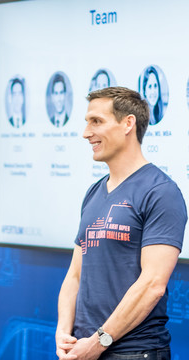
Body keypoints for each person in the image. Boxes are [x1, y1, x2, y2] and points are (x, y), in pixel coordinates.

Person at [56, 87, 187, 360]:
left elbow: (152, 284)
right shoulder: (93, 192)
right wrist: (63, 331)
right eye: (87, 122)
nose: (86, 133)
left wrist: (99, 341)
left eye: (97, 121)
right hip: (83, 349)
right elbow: (75, 276)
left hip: (134, 352)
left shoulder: (161, 191)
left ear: (128, 123)